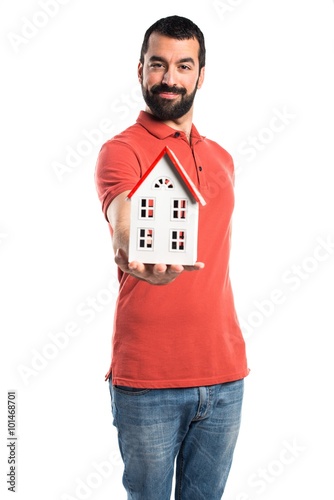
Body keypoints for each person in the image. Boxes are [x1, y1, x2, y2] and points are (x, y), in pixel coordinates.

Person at [95, 15, 249, 500]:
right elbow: (122, 212)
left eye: (184, 65)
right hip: (149, 380)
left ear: (201, 75)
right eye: (158, 64)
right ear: (140, 69)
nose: (169, 78)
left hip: (225, 376)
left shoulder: (221, 157)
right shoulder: (121, 150)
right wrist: (130, 252)